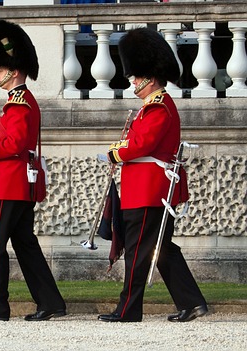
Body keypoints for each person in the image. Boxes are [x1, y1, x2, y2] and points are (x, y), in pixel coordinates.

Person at [98, 27, 207, 323]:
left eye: (136, 76)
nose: (133, 80)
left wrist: (114, 153)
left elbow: (141, 145)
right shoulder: (149, 109)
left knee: (137, 252)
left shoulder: (159, 108)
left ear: (150, 76)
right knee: (163, 249)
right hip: (145, 189)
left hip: (149, 190)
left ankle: (128, 310)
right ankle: (192, 302)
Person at [0, 19, 66, 322]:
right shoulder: (18, 102)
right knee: (25, 245)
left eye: (0, 67)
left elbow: (14, 144)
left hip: (9, 185)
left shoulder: (20, 104)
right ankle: (50, 302)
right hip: (16, 184)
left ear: (14, 69)